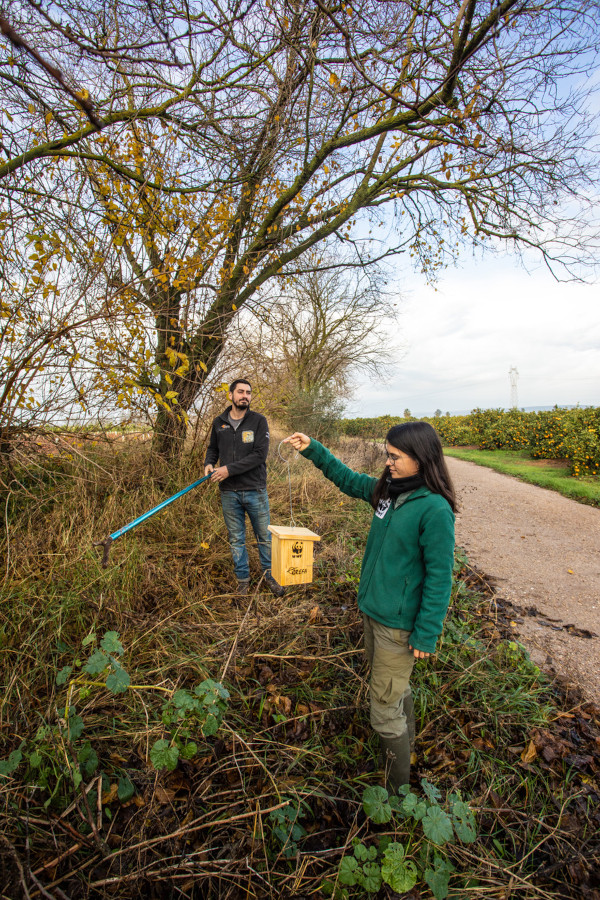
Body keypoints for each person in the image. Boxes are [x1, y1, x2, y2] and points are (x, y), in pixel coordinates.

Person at [284, 422, 456, 792]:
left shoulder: (434, 510)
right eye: (387, 455)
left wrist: (426, 633)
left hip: (399, 625)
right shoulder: (387, 493)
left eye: (395, 457)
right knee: (395, 688)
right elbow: (346, 479)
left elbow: (441, 577)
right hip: (374, 613)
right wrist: (313, 447)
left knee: (382, 711)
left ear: (421, 459)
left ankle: (397, 796)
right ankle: (408, 752)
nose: (388, 463)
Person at [204, 378, 284, 597]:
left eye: (248, 393)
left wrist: (228, 469)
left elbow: (259, 455)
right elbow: (213, 448)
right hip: (229, 492)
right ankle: (243, 581)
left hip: (254, 489)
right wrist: (209, 463)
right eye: (240, 392)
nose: (245, 396)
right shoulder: (219, 422)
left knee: (264, 538)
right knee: (236, 539)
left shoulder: (258, 421)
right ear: (230, 395)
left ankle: (270, 577)